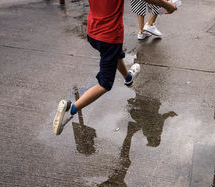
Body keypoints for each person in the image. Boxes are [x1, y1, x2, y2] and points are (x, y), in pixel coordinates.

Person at [53, 0, 176, 135]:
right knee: (105, 84)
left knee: (115, 55)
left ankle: (128, 78)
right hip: (109, 36)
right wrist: (168, 5)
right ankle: (71, 109)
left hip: (93, 31)